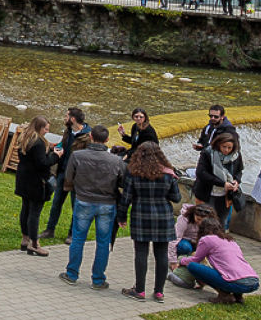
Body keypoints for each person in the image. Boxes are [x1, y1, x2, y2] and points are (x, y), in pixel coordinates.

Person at [59, 124, 124, 288]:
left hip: (84, 199)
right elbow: (122, 182)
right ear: (107, 140)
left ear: (91, 137)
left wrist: (77, 187)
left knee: (78, 238)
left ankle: (72, 273)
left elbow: (68, 177)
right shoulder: (116, 161)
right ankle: (98, 279)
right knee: (103, 242)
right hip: (107, 203)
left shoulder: (78, 156)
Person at [118, 141, 180, 301]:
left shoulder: (134, 173)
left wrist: (122, 216)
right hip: (163, 216)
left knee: (141, 253)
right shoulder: (168, 174)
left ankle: (140, 290)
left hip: (141, 214)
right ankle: (159, 292)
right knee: (161, 254)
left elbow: (126, 197)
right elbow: (176, 197)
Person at [177, 210, 260, 304]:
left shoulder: (206, 239)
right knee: (229, 272)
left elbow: (196, 259)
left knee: (193, 266)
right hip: (254, 282)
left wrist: (181, 261)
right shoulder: (230, 239)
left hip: (237, 283)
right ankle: (238, 296)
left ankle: (223, 295)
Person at [40, 107, 88, 240]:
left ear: (73, 119)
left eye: (66, 116)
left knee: (76, 207)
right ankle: (50, 230)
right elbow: (63, 145)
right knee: (56, 203)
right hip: (62, 173)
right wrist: (55, 147)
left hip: (77, 178)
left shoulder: (87, 136)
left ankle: (72, 234)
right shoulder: (68, 131)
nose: (64, 118)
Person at [11, 115, 53, 256]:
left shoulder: (25, 138)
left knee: (26, 209)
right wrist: (56, 156)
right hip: (36, 182)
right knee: (34, 212)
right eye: (46, 129)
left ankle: (25, 239)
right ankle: (34, 243)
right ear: (40, 128)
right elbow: (42, 163)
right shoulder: (39, 142)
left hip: (24, 179)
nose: (47, 132)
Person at [193, 128, 244, 223]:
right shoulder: (207, 153)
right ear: (218, 144)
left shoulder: (236, 155)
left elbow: (239, 171)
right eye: (224, 147)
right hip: (207, 193)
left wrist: (236, 181)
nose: (226, 150)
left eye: (229, 148)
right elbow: (201, 173)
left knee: (221, 221)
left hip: (225, 196)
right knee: (205, 221)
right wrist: (222, 183)